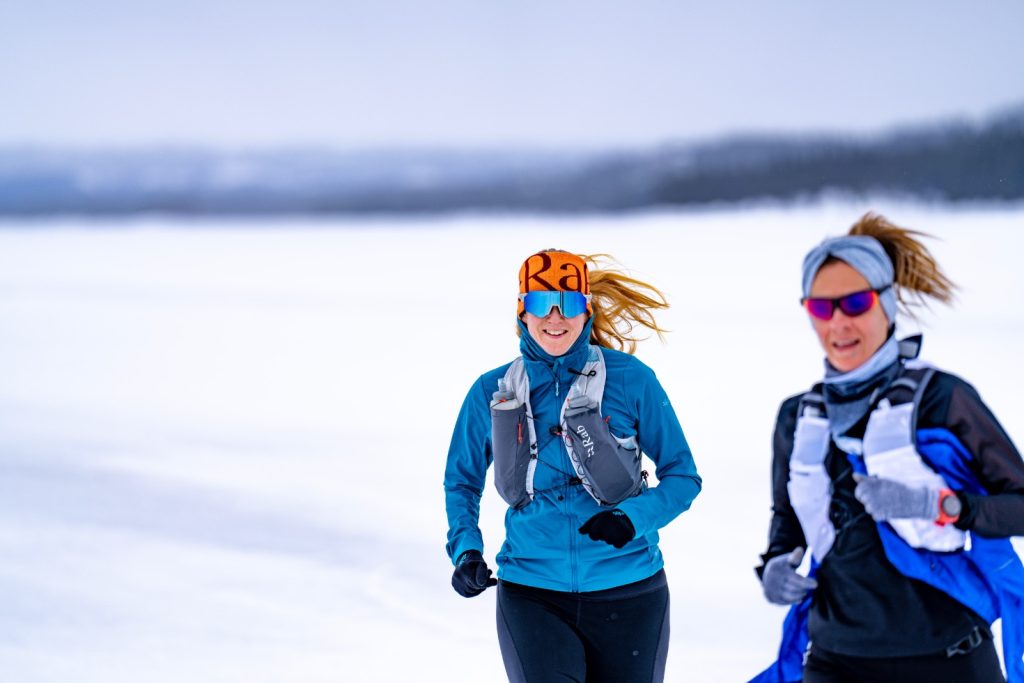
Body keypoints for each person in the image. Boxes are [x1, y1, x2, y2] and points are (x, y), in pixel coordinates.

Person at [753, 213, 1024, 683]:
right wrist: (775, 563)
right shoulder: (797, 416)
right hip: (835, 661)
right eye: (822, 308)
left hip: (951, 659)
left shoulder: (943, 399)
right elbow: (789, 518)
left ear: (888, 304)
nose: (839, 323)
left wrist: (938, 505)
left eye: (855, 303)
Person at [444, 249, 702, 683]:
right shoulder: (490, 391)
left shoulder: (631, 379)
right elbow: (462, 482)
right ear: (523, 311)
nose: (556, 318)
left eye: (571, 303)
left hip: (632, 592)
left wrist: (631, 518)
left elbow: (683, 476)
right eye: (543, 303)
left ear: (588, 310)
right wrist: (465, 549)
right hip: (531, 594)